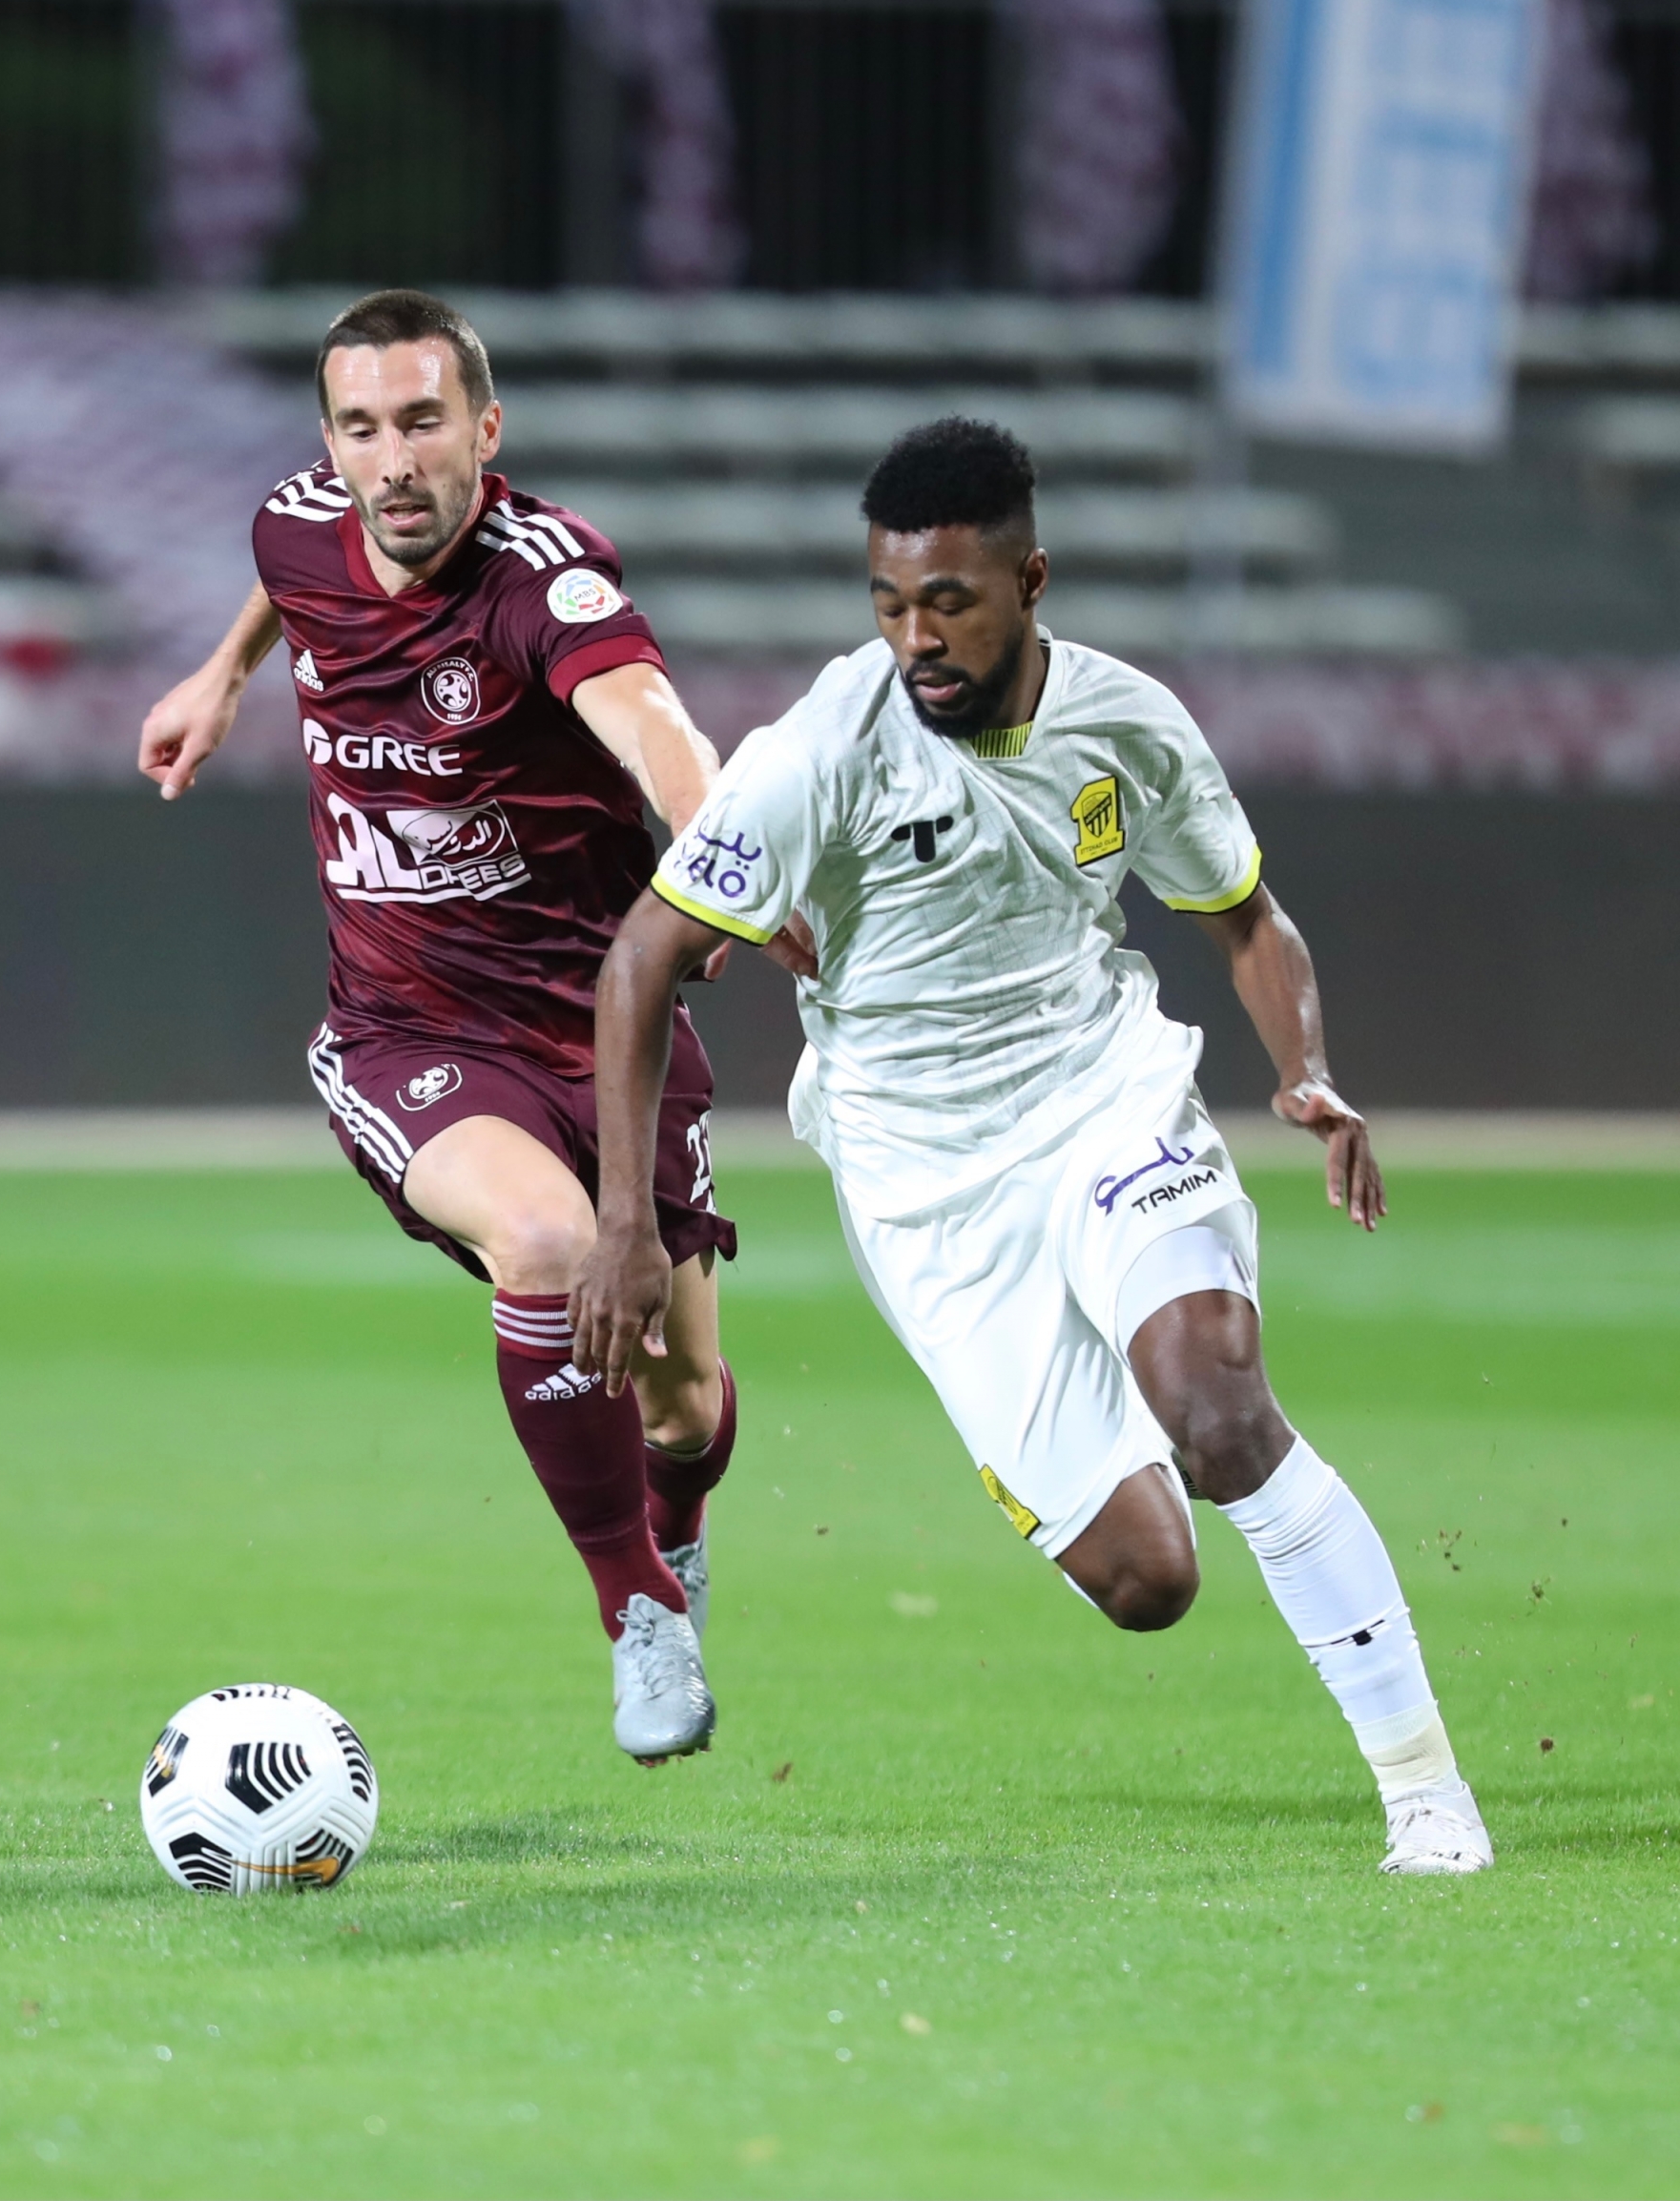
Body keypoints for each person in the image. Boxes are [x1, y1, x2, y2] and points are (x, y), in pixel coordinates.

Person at [570, 417, 1490, 1874]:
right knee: (1149, 1582)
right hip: (923, 1183)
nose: (916, 639)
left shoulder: (1127, 723)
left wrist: (1305, 1072)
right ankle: (1106, 1436)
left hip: (1102, 1096)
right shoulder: (821, 751)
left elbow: (1244, 915)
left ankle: (1427, 1795)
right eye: (890, 603)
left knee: (1221, 1409)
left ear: (1031, 580)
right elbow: (639, 961)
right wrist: (626, 1224)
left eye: (949, 602)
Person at [139, 289, 800, 1764]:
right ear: (329, 445)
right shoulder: (295, 527)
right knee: (552, 1246)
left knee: (681, 1405)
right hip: (407, 1027)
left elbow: (657, 730)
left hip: (605, 1030)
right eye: (361, 429)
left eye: (424, 423)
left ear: (485, 432)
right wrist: (224, 674)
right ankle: (635, 1606)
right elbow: (286, 573)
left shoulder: (541, 585)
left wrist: (722, 861)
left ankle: (676, 1537)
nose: (394, 462)